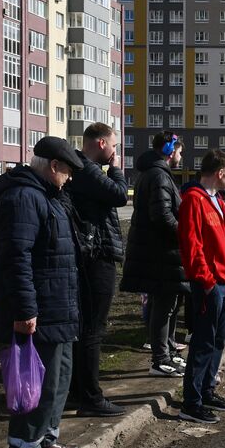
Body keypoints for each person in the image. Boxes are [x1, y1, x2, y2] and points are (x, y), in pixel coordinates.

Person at [0, 137, 85, 448]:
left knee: (58, 377)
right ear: (54, 166)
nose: (70, 178)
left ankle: (45, 435)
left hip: (57, 305)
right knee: (36, 381)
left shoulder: (46, 196)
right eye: (68, 171)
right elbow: (17, 258)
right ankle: (23, 446)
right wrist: (25, 309)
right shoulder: (24, 199)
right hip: (39, 310)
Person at [66, 123, 129, 417]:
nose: (115, 152)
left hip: (92, 254)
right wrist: (115, 168)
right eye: (114, 146)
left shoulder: (83, 170)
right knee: (93, 328)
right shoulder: (87, 169)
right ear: (101, 143)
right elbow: (119, 195)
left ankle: (77, 391)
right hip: (96, 256)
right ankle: (90, 396)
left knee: (86, 327)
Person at [176, 150, 225, 423]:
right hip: (210, 285)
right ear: (220, 172)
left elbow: (222, 240)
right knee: (202, 342)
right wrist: (207, 281)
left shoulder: (217, 200)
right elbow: (192, 245)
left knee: (217, 341)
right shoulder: (193, 200)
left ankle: (207, 390)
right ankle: (191, 402)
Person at [121, 132, 188, 377]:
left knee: (170, 303)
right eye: (180, 152)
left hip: (161, 251)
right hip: (161, 252)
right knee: (164, 305)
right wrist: (186, 233)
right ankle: (160, 359)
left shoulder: (156, 173)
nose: (181, 156)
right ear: (170, 152)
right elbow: (162, 215)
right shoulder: (159, 175)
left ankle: (168, 351)